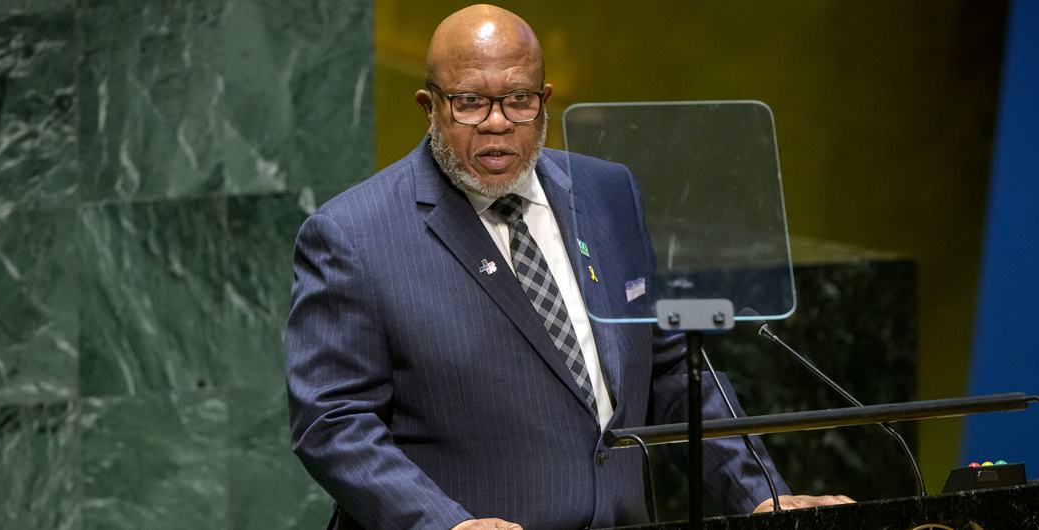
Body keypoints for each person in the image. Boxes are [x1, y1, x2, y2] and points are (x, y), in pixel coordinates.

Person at [285, 5, 850, 529]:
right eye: (470, 102)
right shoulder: (354, 234)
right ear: (429, 106)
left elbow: (673, 373)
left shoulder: (607, 192)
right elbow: (333, 421)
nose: (497, 122)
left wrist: (762, 496)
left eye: (519, 99)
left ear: (545, 99)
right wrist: (444, 522)